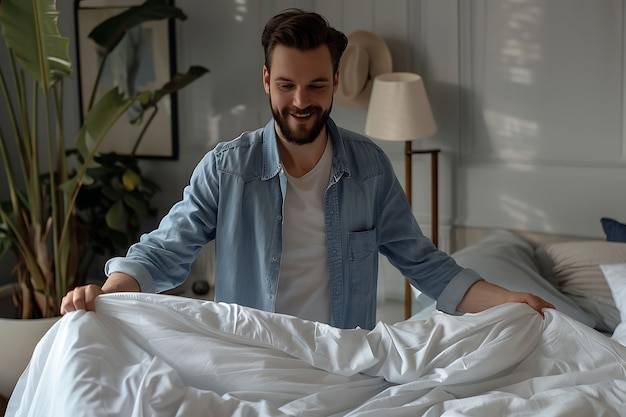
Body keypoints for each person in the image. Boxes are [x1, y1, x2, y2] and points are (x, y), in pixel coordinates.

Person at [61, 9, 554, 330]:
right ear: (266, 81)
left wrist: (507, 298)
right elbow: (165, 250)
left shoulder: (371, 170)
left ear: (336, 80)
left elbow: (425, 264)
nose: (301, 102)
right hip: (252, 361)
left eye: (317, 85)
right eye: (286, 85)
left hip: (343, 366)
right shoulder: (227, 169)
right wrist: (104, 294)